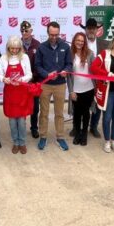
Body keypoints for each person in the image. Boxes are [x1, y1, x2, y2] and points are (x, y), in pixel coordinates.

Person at [35, 21, 72, 151]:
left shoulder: (66, 47)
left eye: (56, 35)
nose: (54, 37)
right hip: (45, 85)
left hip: (60, 85)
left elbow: (69, 63)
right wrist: (47, 74)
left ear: (59, 33)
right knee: (44, 112)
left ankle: (60, 137)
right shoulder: (41, 47)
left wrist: (65, 70)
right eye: (52, 35)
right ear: (47, 33)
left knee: (59, 113)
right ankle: (43, 136)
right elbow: (37, 65)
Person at [0, 35, 32, 154]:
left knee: (21, 122)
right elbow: (0, 74)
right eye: (12, 48)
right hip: (10, 94)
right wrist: (4, 79)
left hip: (22, 93)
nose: (14, 50)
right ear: (8, 48)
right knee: (12, 122)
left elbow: (29, 74)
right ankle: (15, 142)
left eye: (17, 48)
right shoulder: (3, 58)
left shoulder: (25, 57)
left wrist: (21, 80)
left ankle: (22, 143)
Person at [79, 18, 110, 138]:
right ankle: (79, 126)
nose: (91, 30)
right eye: (89, 28)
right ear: (86, 30)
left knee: (98, 104)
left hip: (99, 79)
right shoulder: (80, 42)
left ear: (97, 30)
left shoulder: (105, 44)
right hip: (83, 78)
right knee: (81, 104)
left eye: (93, 28)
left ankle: (93, 126)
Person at [67, 32, 95, 146]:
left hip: (89, 88)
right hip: (76, 90)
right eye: (78, 40)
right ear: (74, 41)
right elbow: (68, 75)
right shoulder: (69, 54)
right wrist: (71, 91)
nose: (80, 43)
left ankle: (84, 134)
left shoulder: (90, 53)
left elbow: (95, 69)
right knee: (77, 113)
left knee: (86, 113)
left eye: (82, 41)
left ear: (85, 43)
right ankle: (77, 133)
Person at [20, 21, 41, 139]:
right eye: (22, 31)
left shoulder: (38, 45)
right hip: (21, 83)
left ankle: (34, 128)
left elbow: (40, 63)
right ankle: (21, 128)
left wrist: (32, 76)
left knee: (35, 107)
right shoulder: (16, 44)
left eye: (26, 30)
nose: (24, 33)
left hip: (34, 82)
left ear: (31, 31)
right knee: (21, 106)